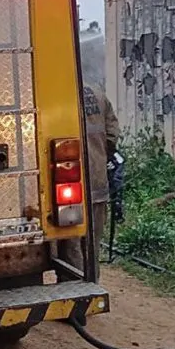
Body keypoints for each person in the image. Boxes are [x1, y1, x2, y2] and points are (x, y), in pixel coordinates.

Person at [61, 81, 120, 276]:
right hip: (96, 183)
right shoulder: (98, 94)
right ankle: (91, 286)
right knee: (92, 243)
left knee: (71, 243)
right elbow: (112, 136)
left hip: (66, 184)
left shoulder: (55, 91)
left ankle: (73, 289)